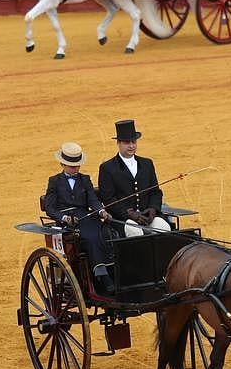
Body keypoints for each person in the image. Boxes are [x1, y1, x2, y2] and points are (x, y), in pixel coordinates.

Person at [44, 142, 115, 294]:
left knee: (106, 232)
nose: (76, 169)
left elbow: (93, 200)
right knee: (90, 237)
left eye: (77, 165)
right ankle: (102, 275)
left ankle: (112, 270)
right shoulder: (54, 181)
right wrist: (64, 217)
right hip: (67, 222)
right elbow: (50, 208)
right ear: (63, 164)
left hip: (86, 217)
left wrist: (101, 212)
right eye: (72, 166)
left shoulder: (85, 179)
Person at [98, 120, 171, 239]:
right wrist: (129, 214)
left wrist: (152, 209)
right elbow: (108, 199)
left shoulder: (147, 163)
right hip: (123, 219)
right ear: (119, 143)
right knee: (135, 232)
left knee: (164, 228)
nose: (131, 146)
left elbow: (155, 191)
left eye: (134, 142)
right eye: (127, 142)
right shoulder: (107, 168)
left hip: (147, 216)